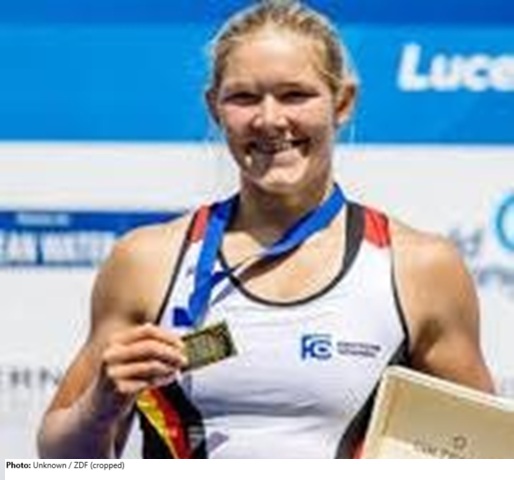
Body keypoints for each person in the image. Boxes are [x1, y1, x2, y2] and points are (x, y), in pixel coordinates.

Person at [37, 0, 494, 459]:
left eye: (294, 95)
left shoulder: (418, 267)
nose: (270, 119)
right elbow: (57, 464)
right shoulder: (147, 260)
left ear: (342, 103)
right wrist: (98, 409)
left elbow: (489, 454)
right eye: (244, 97)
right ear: (214, 108)